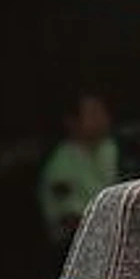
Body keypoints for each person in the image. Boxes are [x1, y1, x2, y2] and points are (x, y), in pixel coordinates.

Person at [38, 87, 120, 249]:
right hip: (78, 248)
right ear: (72, 122)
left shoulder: (110, 148)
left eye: (102, 112)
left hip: (115, 236)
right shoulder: (59, 166)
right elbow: (71, 221)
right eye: (93, 114)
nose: (102, 119)